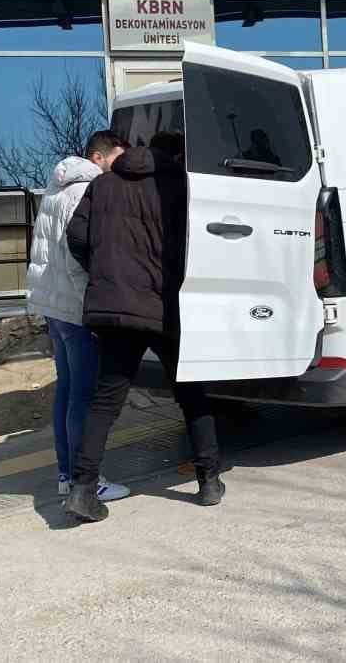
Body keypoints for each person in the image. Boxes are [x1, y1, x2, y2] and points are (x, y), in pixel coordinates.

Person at [63, 130, 223, 522]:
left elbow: (77, 237)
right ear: (177, 154)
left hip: (114, 307)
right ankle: (208, 481)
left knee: (105, 401)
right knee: (192, 393)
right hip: (166, 306)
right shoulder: (182, 188)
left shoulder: (103, 186)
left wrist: (106, 275)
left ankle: (82, 490)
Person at [26, 130, 132, 504]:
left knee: (68, 390)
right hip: (76, 305)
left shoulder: (56, 187)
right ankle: (86, 481)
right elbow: (82, 251)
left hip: (52, 304)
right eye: (117, 158)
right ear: (98, 157)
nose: (121, 167)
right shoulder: (87, 189)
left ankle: (65, 473)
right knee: (84, 395)